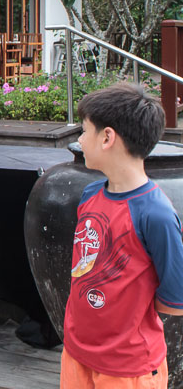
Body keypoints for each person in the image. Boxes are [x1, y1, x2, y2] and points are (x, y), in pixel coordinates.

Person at [62, 82, 183, 388]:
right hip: (76, 354)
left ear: (107, 137)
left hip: (129, 369)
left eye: (84, 131)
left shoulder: (156, 214)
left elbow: (174, 298)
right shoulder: (90, 195)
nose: (79, 140)